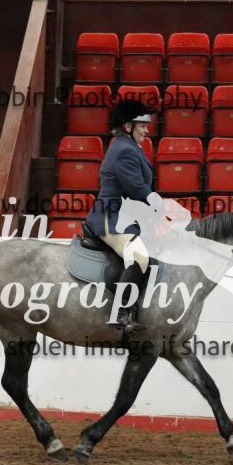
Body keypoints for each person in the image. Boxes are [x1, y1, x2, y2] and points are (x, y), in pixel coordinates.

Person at [85, 99, 157, 332]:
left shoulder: (130, 146)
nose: (146, 131)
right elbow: (136, 187)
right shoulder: (124, 150)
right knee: (140, 257)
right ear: (128, 126)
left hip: (126, 216)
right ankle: (120, 313)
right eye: (142, 126)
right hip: (111, 216)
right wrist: (159, 203)